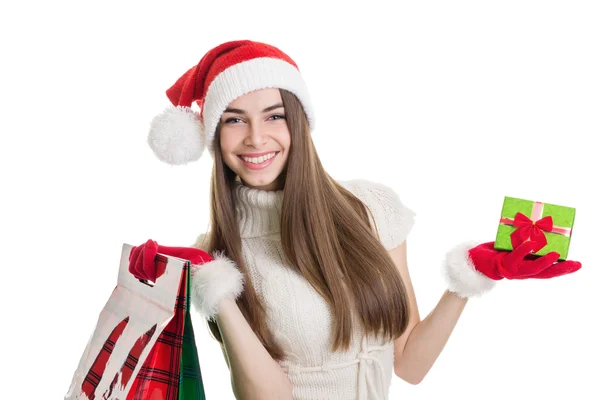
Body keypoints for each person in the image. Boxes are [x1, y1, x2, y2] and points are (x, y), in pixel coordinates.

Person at [130, 40, 582, 400]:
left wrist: (473, 276)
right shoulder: (218, 251)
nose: (256, 137)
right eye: (234, 120)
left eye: (274, 115)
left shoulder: (371, 207)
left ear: (300, 123)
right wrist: (218, 291)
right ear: (212, 135)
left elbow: (408, 364)